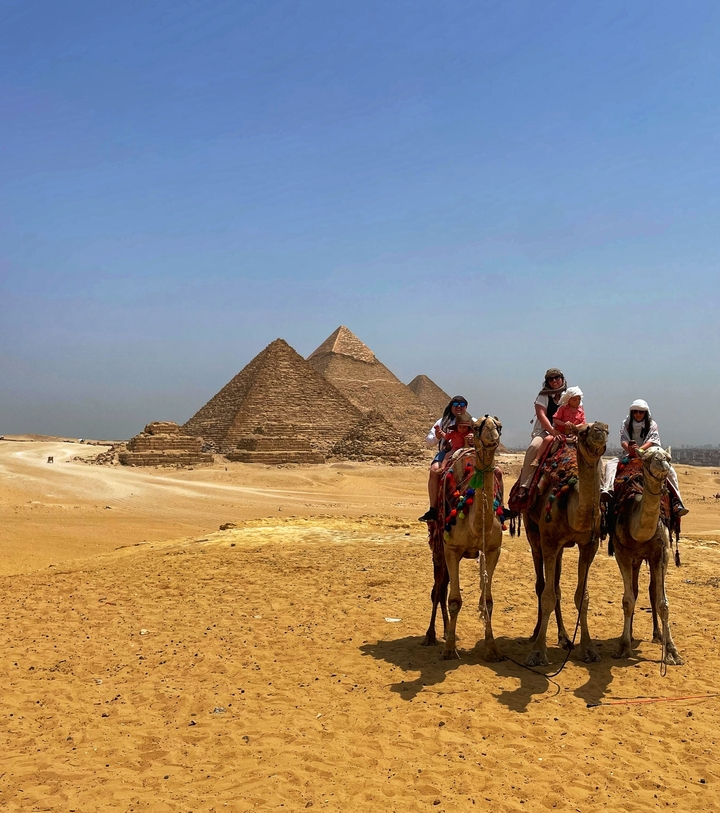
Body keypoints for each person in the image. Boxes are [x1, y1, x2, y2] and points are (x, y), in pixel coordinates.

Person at [602, 399, 688, 515]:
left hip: (649, 453)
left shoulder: (652, 424)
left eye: (641, 412)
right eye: (635, 412)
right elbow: (623, 439)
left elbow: (652, 441)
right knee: (610, 465)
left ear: (645, 413)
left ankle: (677, 501)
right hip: (629, 453)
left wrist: (640, 450)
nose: (638, 414)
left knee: (670, 471)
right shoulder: (626, 423)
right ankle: (608, 490)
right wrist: (630, 449)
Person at [419, 396, 473, 522]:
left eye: (462, 404)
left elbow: (485, 438)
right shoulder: (442, 422)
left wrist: (474, 438)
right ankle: (433, 509)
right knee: (434, 470)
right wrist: (437, 437)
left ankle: (498, 506)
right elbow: (429, 441)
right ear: (451, 406)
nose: (459, 406)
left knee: (494, 471)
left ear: (466, 407)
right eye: (455, 404)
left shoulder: (473, 421)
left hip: (470, 452)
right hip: (448, 451)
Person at [516, 368, 567, 498]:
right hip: (546, 430)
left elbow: (579, 412)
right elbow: (541, 415)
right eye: (551, 379)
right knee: (534, 447)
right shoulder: (543, 396)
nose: (554, 381)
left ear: (562, 378)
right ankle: (524, 486)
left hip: (567, 431)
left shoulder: (570, 394)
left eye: (557, 377)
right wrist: (553, 431)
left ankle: (601, 488)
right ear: (547, 381)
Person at [534, 386, 585, 465]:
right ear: (568, 399)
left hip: (574, 434)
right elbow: (553, 419)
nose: (577, 402)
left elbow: (583, 423)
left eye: (579, 399)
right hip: (558, 432)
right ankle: (536, 459)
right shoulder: (561, 408)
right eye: (574, 400)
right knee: (544, 441)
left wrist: (574, 427)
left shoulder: (580, 411)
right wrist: (563, 425)